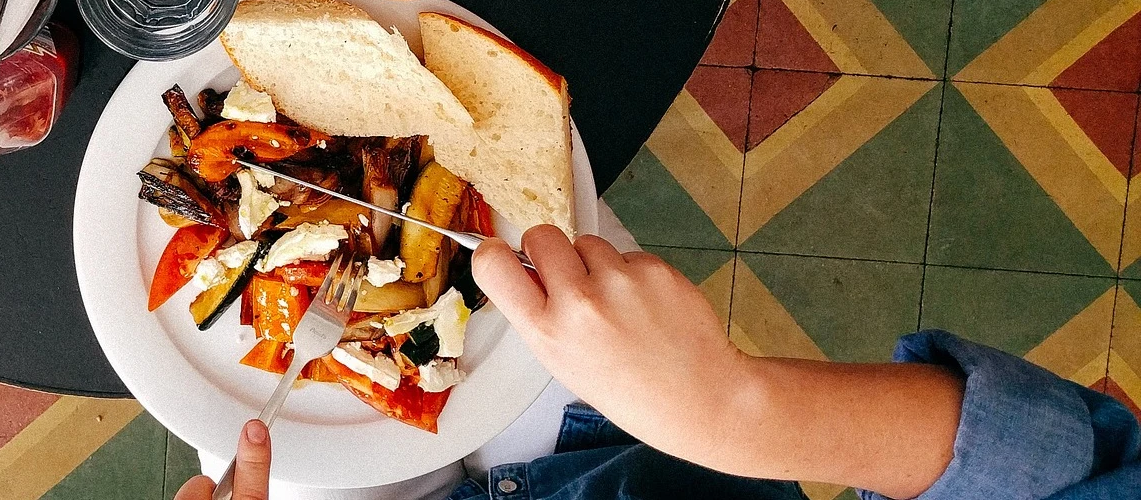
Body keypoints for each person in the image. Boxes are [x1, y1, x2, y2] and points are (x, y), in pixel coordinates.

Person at [169, 228, 1141, 500]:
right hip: (648, 446)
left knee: (254, 396)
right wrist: (735, 407)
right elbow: (1072, 467)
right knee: (510, 234)